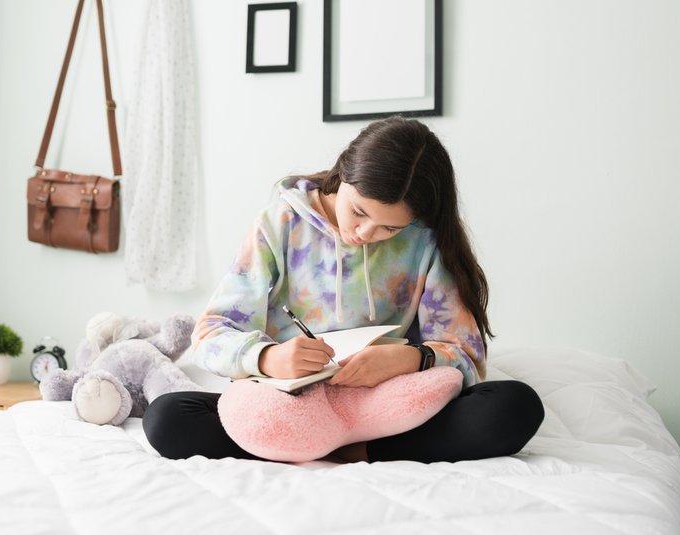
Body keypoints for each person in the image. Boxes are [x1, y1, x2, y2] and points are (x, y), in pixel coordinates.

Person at [143, 116, 544, 463]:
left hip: (384, 404)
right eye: (359, 211)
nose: (366, 234)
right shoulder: (281, 223)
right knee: (167, 418)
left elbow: (467, 357)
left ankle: (328, 448)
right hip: (290, 402)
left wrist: (409, 360)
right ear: (343, 175)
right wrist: (268, 358)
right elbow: (211, 333)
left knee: (514, 408)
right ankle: (339, 444)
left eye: (390, 228)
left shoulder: (425, 242)